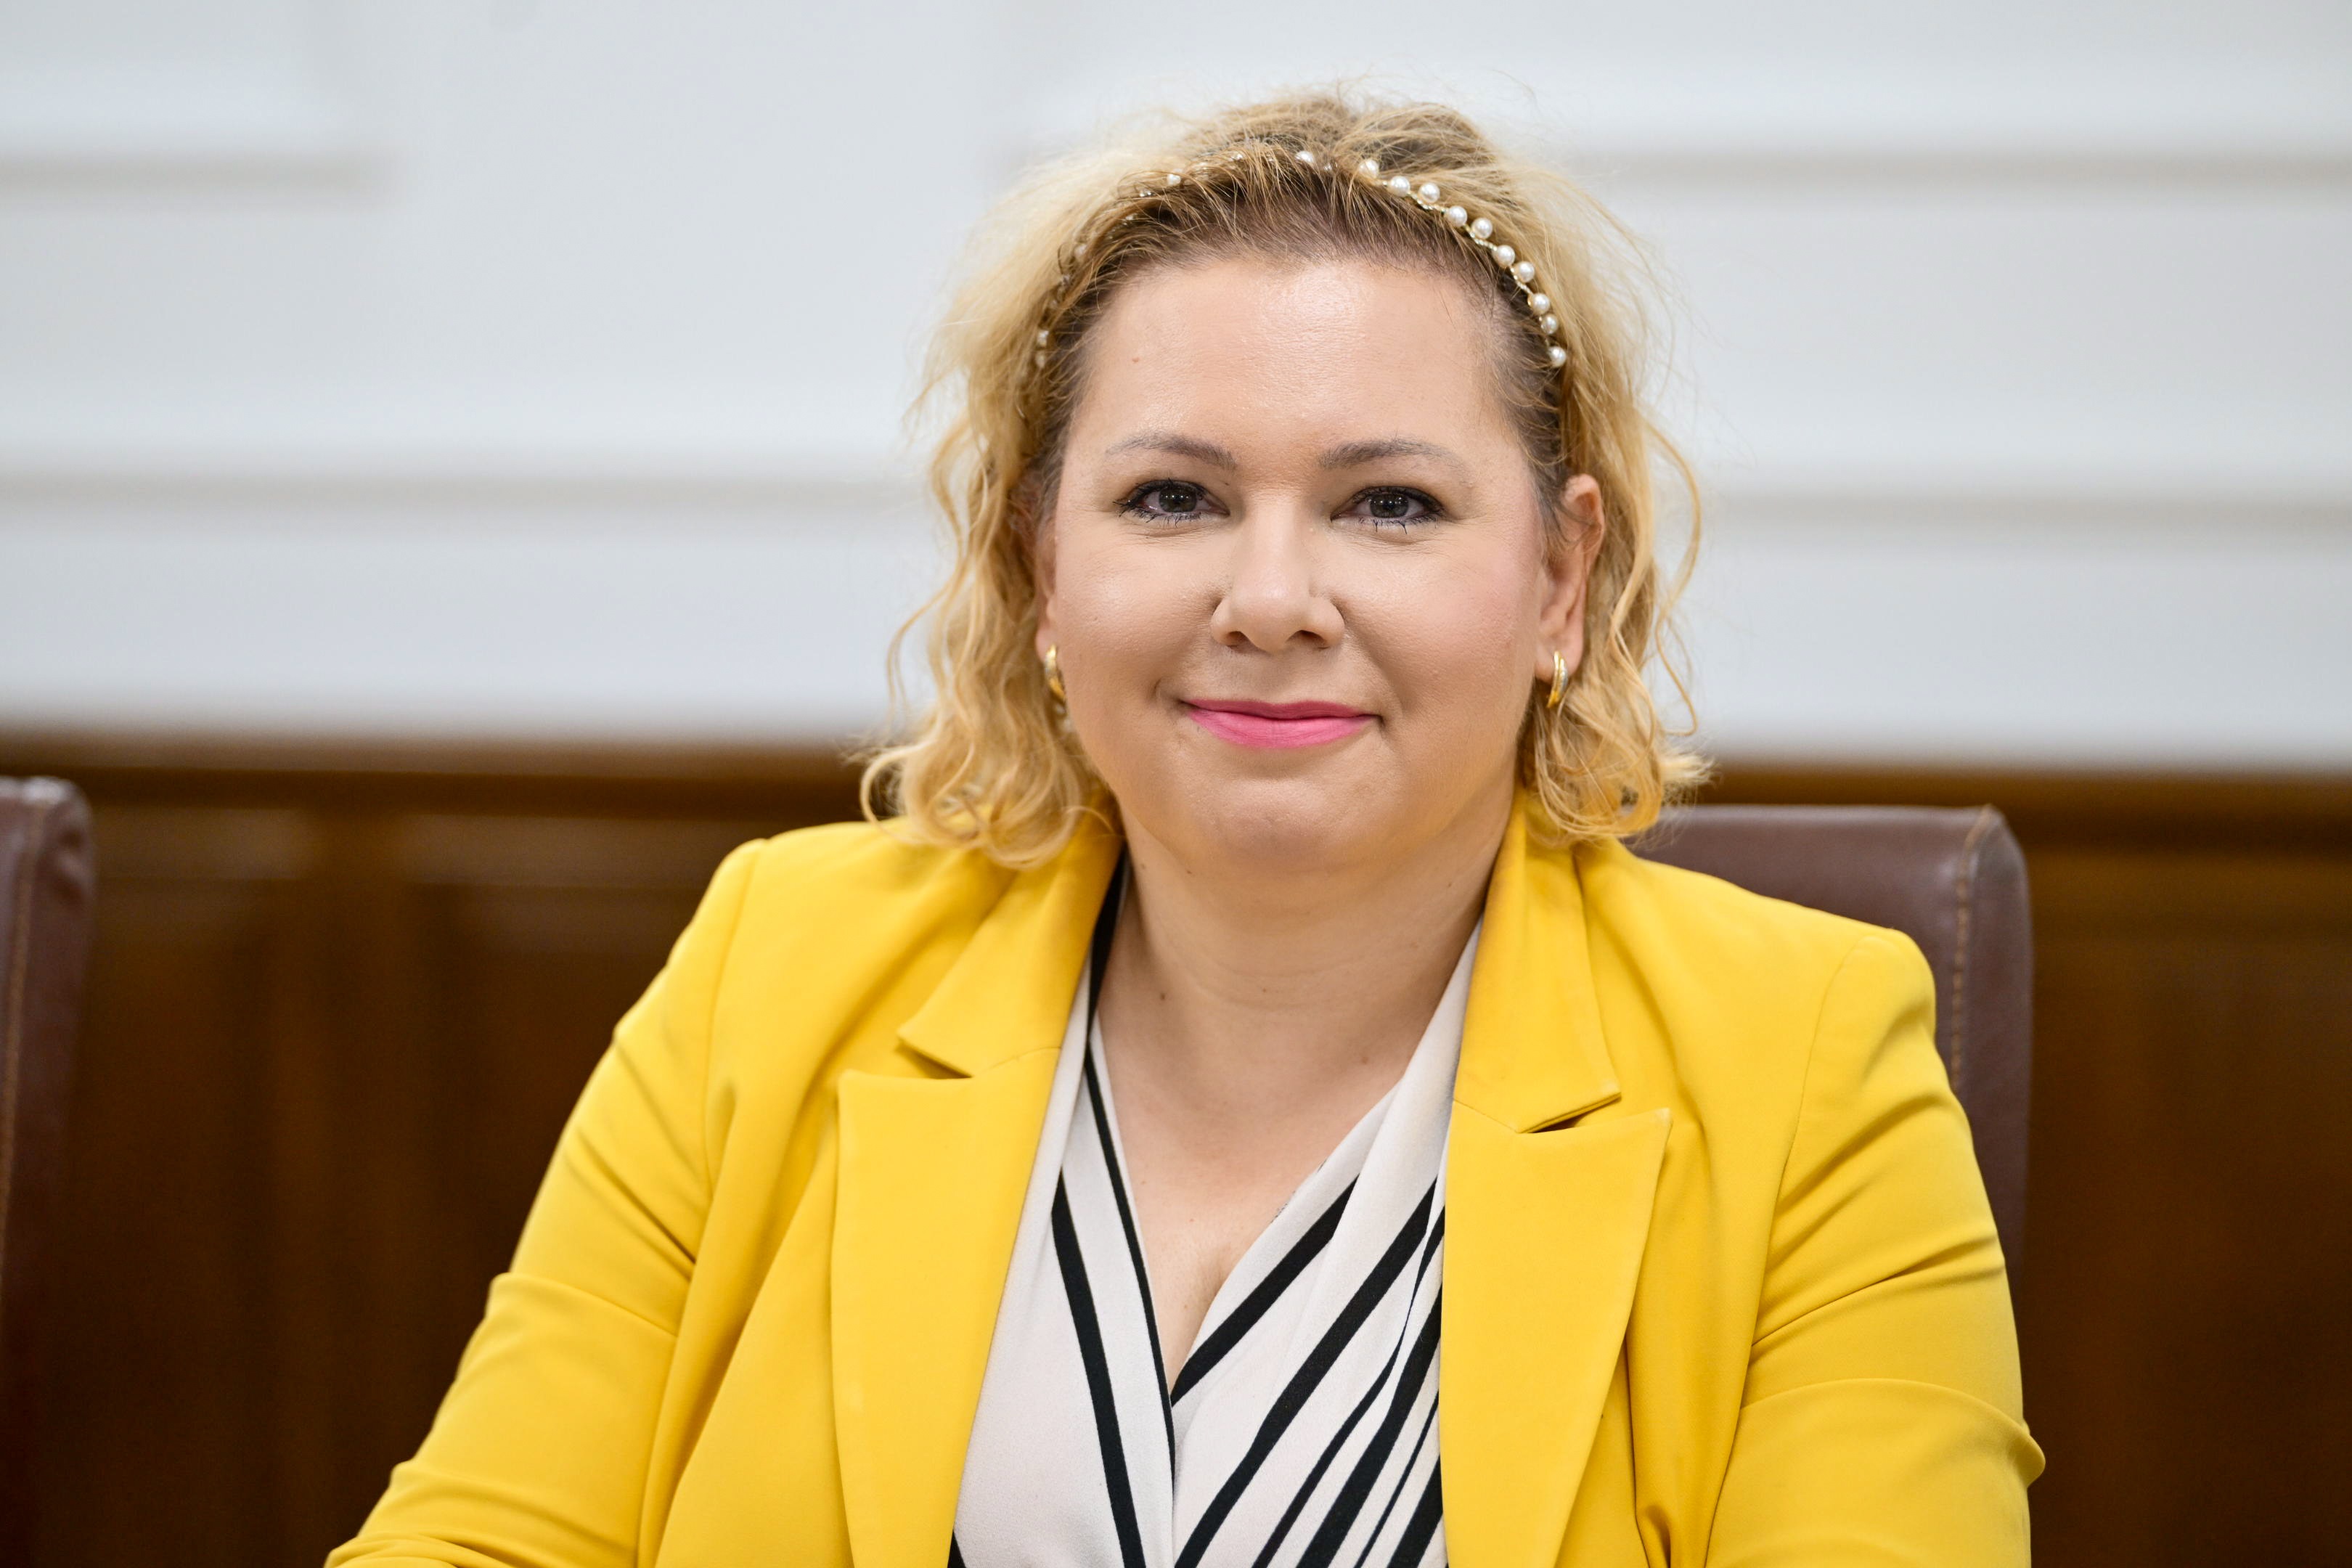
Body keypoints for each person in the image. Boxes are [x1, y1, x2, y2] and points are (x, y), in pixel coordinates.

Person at [331, 91, 2040, 1567]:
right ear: (1039, 568)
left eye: (1390, 503)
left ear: (1558, 578)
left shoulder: (1810, 1067)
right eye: (1173, 498)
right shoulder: (775, 966)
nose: (1271, 597)